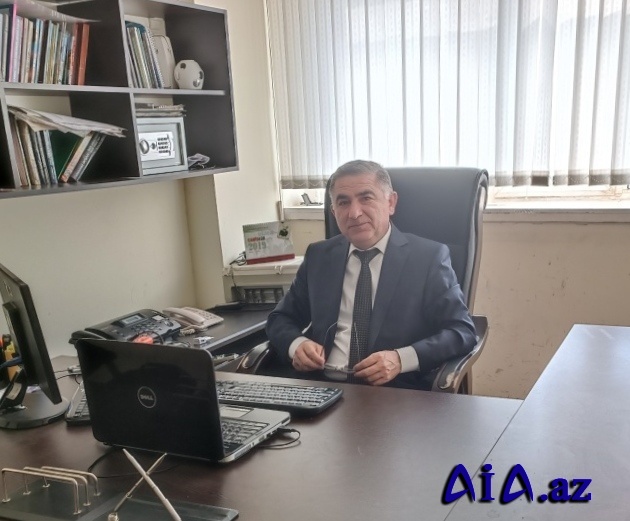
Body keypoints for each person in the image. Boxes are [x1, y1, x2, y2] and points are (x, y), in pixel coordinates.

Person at [266, 160, 476, 390]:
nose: (354, 213)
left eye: (366, 198)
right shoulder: (319, 256)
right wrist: (296, 344)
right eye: (343, 202)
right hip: (320, 389)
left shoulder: (428, 258)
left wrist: (400, 359)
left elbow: (461, 331)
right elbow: (280, 319)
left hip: (393, 393)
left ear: (391, 202)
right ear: (334, 211)